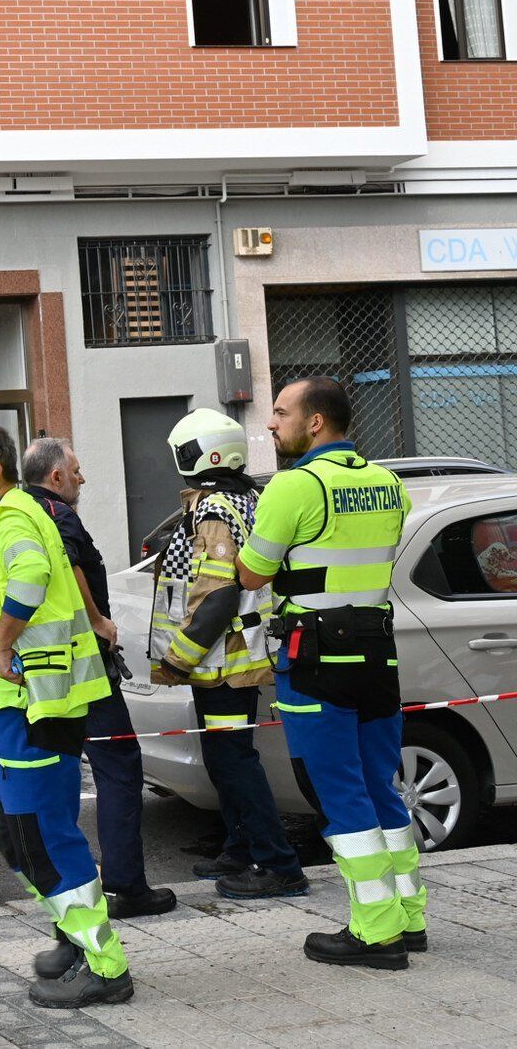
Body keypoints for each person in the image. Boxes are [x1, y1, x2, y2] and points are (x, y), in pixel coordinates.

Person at [235, 377, 422, 969]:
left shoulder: (294, 487)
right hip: (376, 654)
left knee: (340, 794)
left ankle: (374, 932)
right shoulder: (388, 483)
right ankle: (408, 917)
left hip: (314, 657)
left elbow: (251, 574)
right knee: (380, 787)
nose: (271, 423)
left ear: (315, 422)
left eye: (281, 412)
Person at [0, 422, 131, 1008]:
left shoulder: (15, 515)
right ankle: (71, 934)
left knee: (44, 834)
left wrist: (2, 644)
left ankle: (105, 966)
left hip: (36, 701)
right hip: (4, 706)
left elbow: (31, 578)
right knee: (8, 828)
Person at [147, 408, 307, 901]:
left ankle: (278, 864)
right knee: (226, 757)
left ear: (202, 454)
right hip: (234, 661)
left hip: (222, 665)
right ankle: (239, 849)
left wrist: (178, 658)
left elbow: (216, 597)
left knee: (234, 760)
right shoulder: (246, 498)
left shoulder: (215, 510)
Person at [19, 437, 176, 920]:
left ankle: (64, 884)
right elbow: (69, 565)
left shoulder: (18, 511)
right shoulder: (57, 514)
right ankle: (126, 885)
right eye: (77, 470)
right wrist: (98, 622)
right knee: (119, 764)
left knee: (56, 773)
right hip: (83, 665)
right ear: (56, 476)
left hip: (45, 670)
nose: (82, 479)